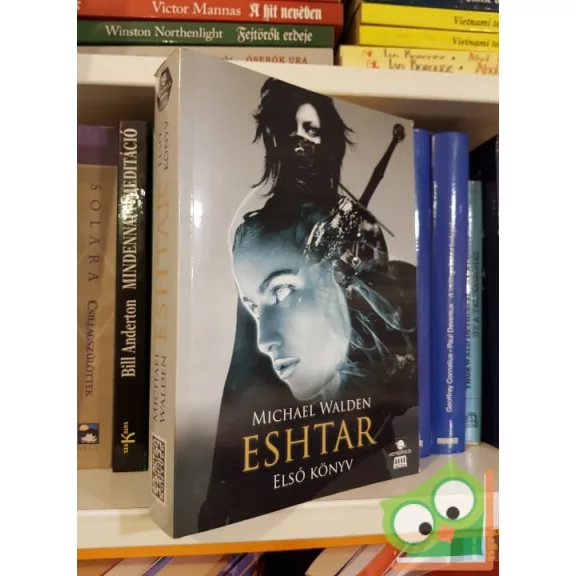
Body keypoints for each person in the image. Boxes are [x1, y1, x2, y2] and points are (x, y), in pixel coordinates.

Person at [196, 79, 417, 531]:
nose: (300, 141)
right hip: (279, 445)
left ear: (329, 142)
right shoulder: (254, 237)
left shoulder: (360, 231)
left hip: (359, 441)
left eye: (312, 130)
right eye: (289, 130)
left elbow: (386, 338)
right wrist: (221, 488)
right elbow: (245, 361)